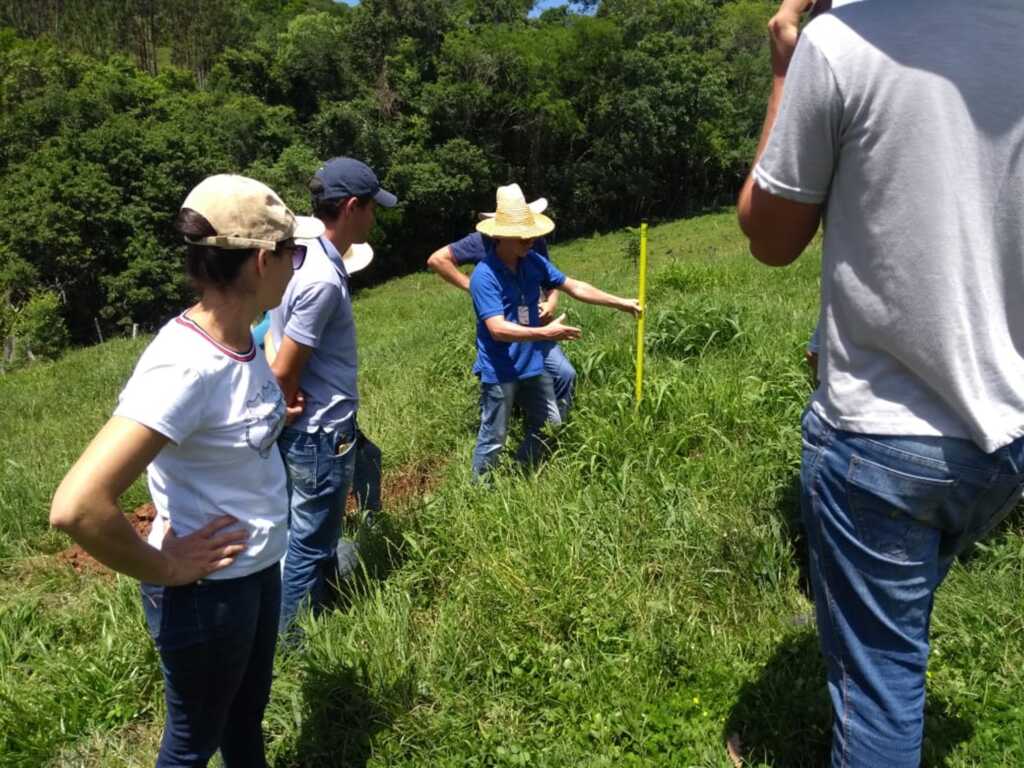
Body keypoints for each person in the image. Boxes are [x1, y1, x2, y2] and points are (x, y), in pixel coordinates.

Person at [737, 1, 1024, 765]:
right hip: (1005, 434)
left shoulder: (838, 48)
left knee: (881, 694)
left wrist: (782, 66)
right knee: (890, 621)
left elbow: (768, 238)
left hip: (882, 438)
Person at [49, 174, 321, 767]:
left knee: (245, 720)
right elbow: (77, 504)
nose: (297, 266)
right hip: (207, 595)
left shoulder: (240, 338)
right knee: (192, 744)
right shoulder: (185, 366)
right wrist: (167, 567)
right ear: (259, 262)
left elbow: (224, 433)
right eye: (291, 254)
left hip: (255, 572)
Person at [269, 156, 397, 635]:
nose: (374, 217)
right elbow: (285, 367)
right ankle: (293, 644)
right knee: (308, 544)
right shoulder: (322, 277)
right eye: (371, 207)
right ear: (350, 207)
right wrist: (282, 403)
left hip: (309, 429)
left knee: (302, 534)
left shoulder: (299, 257)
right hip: (321, 433)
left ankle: (317, 614)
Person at [469, 183, 641, 479]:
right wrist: (545, 334)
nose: (531, 240)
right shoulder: (484, 276)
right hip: (500, 369)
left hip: (532, 364)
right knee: (494, 437)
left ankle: (521, 472)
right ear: (500, 236)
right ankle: (479, 491)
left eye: (532, 233)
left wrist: (621, 303)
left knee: (549, 424)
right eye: (523, 235)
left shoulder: (532, 261)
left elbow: (574, 286)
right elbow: (497, 329)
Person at [427, 196, 577, 421]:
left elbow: (551, 278)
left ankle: (555, 426)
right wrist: (474, 288)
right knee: (504, 380)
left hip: (534, 321)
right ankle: (511, 420)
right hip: (504, 323)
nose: (528, 238)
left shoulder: (534, 239)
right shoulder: (479, 242)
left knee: (564, 373)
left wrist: (551, 302)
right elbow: (437, 260)